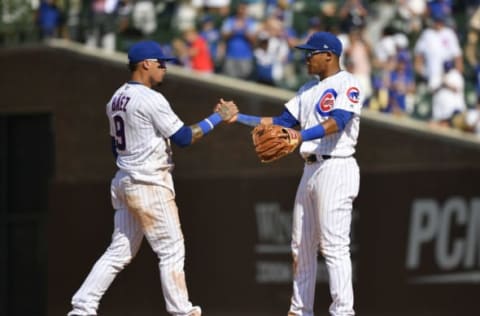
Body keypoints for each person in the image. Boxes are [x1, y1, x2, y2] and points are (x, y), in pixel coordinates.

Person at [67, 40, 238, 316]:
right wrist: (218, 117)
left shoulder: (115, 99)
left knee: (119, 251)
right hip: (149, 183)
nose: (165, 68)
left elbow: (114, 146)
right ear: (146, 64)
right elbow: (183, 138)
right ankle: (182, 311)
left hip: (124, 179)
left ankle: (81, 308)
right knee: (171, 249)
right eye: (161, 63)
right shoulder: (151, 98)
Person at [221, 31, 362, 316]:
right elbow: (280, 123)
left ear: (329, 56)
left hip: (337, 165)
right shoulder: (308, 89)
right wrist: (240, 119)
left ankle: (343, 312)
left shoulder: (348, 83)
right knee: (300, 245)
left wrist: (300, 135)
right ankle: (300, 311)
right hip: (310, 168)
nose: (306, 57)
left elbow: (339, 121)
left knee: (334, 246)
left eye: (311, 53)